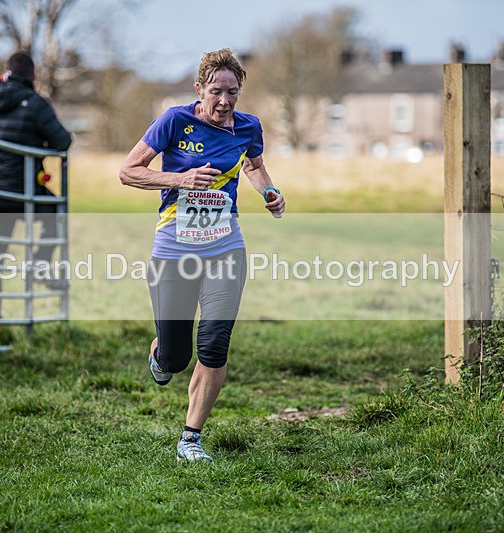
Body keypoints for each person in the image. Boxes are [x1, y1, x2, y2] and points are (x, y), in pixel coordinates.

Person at [119, 48, 285, 462]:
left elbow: (253, 165)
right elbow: (129, 170)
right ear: (199, 89)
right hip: (174, 246)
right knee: (177, 357)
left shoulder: (248, 127)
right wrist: (181, 178)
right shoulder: (174, 121)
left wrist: (269, 192)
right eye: (216, 92)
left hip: (225, 245)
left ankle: (190, 440)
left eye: (232, 92)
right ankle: (162, 352)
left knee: (214, 345)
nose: (225, 102)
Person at [0, 51, 72, 317]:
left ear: (6, 72)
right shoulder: (36, 103)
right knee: (57, 211)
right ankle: (40, 263)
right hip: (18, 192)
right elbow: (62, 141)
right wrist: (35, 146)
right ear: (33, 75)